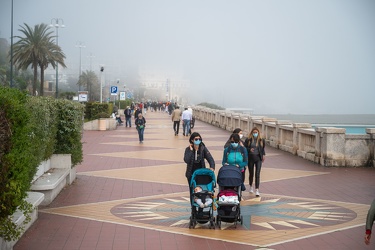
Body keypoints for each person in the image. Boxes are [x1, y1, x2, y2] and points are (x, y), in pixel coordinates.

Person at [244, 127, 266, 197]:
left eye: (256, 132)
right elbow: (245, 148)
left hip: (258, 158)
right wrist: (249, 149)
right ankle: (251, 186)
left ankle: (257, 189)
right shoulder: (248, 140)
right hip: (250, 158)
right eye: (254, 132)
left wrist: (263, 155)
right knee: (251, 173)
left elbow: (262, 149)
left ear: (258, 133)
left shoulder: (261, 140)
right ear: (251, 133)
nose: (255, 134)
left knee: (257, 174)